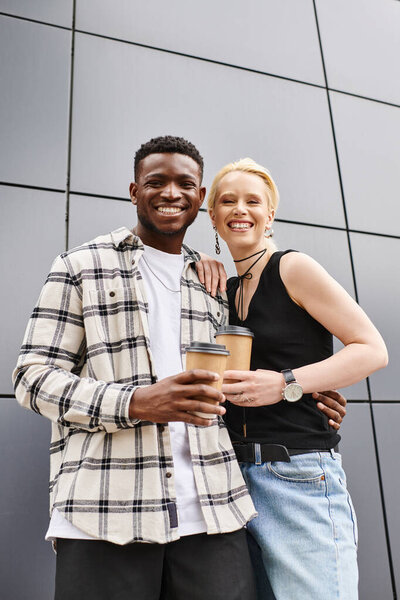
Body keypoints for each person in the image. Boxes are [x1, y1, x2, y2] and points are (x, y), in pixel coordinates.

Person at [13, 136, 346, 600]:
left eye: (185, 184)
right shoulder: (81, 266)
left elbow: (251, 368)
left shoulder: (212, 283)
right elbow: (32, 378)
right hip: (106, 512)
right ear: (134, 192)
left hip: (216, 512)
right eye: (156, 182)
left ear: (199, 198)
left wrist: (305, 389)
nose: (171, 193)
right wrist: (136, 401)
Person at [201, 157, 388, 600]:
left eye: (253, 201)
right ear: (212, 216)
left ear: (270, 215)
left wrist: (286, 382)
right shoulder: (224, 289)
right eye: (227, 200)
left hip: (297, 475)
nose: (239, 209)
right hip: (234, 482)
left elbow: (372, 349)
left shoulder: (293, 268)